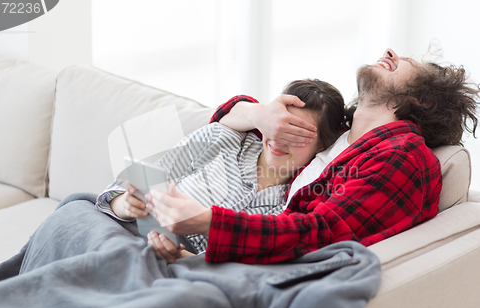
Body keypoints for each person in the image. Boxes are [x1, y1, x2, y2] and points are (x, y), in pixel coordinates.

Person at [147, 48, 479, 264]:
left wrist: (209, 223)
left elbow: (322, 233)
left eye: (405, 62)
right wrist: (257, 113)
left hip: (257, 273)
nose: (390, 51)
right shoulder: (337, 138)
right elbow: (227, 127)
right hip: (206, 253)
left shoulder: (402, 156)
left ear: (422, 100)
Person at [96, 79, 346, 262]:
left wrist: (181, 257)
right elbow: (124, 188)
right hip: (122, 231)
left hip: (167, 267)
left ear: (322, 145)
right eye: (279, 125)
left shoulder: (292, 206)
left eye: (296, 133)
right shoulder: (223, 138)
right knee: (74, 215)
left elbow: (240, 268)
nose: (279, 139)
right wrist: (126, 206)